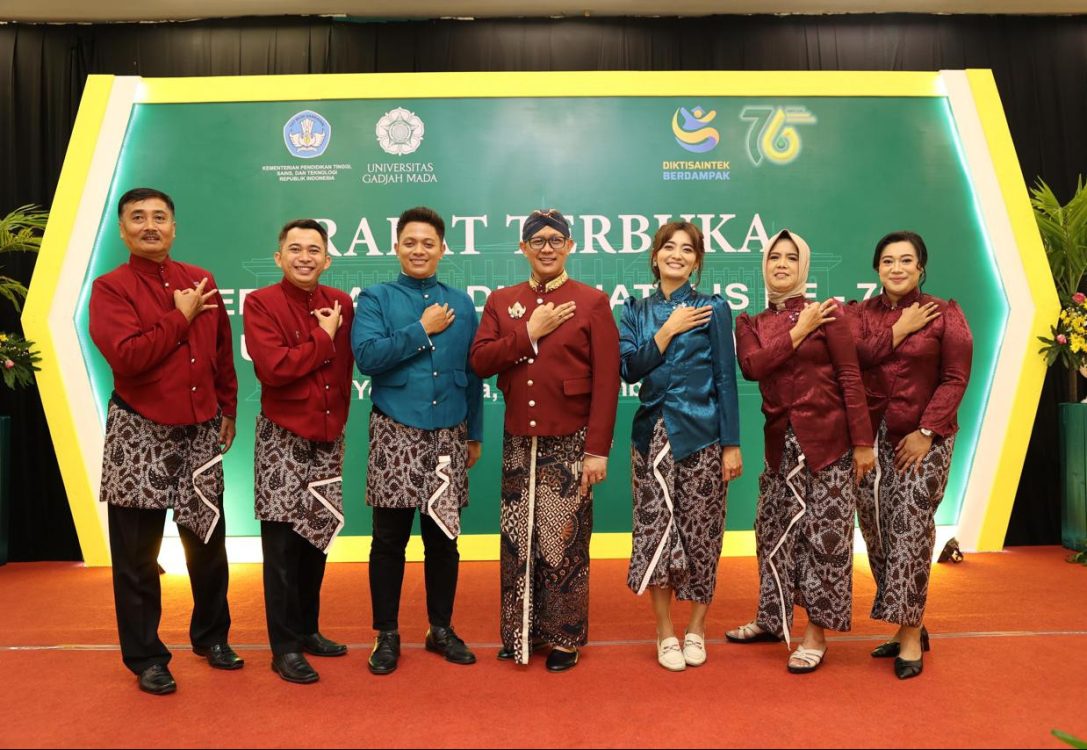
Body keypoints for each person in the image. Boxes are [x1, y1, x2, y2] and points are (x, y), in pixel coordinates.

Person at [89, 187, 242, 695]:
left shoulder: (202, 280)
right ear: (123, 230)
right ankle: (147, 658)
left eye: (159, 217)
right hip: (140, 431)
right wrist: (180, 317)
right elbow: (128, 357)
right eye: (138, 218)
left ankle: (212, 637)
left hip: (201, 430)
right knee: (137, 555)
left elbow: (222, 354)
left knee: (208, 543)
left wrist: (228, 409)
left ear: (174, 227)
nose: (150, 225)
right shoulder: (110, 289)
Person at [470, 209, 620, 672]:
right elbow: (480, 362)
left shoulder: (592, 302)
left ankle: (564, 636)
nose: (547, 248)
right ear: (523, 248)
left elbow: (607, 382)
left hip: (571, 440)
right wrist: (528, 333)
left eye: (557, 240)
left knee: (563, 541)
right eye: (538, 241)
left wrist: (597, 450)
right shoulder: (502, 301)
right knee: (518, 538)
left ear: (570, 246)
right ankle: (521, 632)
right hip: (519, 439)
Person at [726, 228, 874, 674]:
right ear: (764, 266)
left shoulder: (828, 313)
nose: (782, 264)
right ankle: (772, 619)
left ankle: (816, 634)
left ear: (804, 266)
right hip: (779, 447)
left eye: (792, 258)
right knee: (771, 533)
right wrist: (798, 331)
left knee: (826, 538)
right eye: (775, 257)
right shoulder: (749, 324)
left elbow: (850, 377)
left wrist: (863, 442)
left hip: (829, 444)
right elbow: (753, 366)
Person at [352, 206, 483, 676]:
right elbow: (368, 357)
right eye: (410, 242)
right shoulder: (376, 298)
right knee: (388, 541)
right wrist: (421, 329)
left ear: (442, 249)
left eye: (428, 243)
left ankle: (440, 629)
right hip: (395, 431)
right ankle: (386, 634)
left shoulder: (462, 303)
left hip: (450, 432)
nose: (419, 250)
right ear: (396, 247)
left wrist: (474, 433)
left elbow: (472, 374)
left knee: (443, 540)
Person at [619, 221, 742, 672]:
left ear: (696, 261)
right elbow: (629, 368)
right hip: (651, 436)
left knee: (702, 532)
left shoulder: (713, 308)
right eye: (668, 247)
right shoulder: (635, 310)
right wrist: (667, 330)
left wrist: (731, 443)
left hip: (703, 435)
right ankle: (665, 631)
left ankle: (697, 628)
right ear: (655, 257)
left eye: (687, 249)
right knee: (654, 532)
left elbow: (726, 378)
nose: (677, 254)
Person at [850, 230, 972, 680]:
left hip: (924, 439)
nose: (896, 268)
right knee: (877, 531)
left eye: (906, 260)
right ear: (876, 268)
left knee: (910, 528)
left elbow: (955, 377)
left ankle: (908, 636)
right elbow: (854, 361)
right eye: (888, 261)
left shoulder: (945, 313)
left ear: (921, 266)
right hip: (869, 439)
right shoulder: (860, 315)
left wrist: (926, 431)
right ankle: (911, 621)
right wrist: (898, 329)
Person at [243, 218, 355, 684]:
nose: (304, 257)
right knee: (282, 548)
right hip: (282, 438)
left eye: (313, 250)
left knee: (316, 539)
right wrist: (322, 338)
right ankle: (284, 647)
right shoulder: (260, 303)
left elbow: (345, 367)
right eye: (295, 249)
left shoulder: (342, 302)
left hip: (328, 437)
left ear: (327, 259)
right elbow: (274, 368)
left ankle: (308, 629)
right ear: (279, 257)